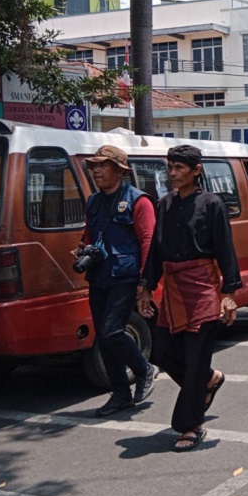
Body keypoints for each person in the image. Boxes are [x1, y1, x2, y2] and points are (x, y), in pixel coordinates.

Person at [137, 145, 241, 452]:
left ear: (196, 170)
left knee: (195, 358)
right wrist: (145, 287)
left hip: (203, 287)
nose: (172, 174)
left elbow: (226, 249)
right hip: (172, 287)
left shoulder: (212, 203)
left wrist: (229, 293)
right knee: (162, 349)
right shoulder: (164, 204)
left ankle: (190, 425)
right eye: (169, 168)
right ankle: (209, 380)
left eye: (179, 168)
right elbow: (156, 250)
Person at [78, 145, 157, 418]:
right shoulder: (94, 201)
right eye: (94, 166)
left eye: (103, 165)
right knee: (104, 336)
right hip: (99, 276)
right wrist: (82, 250)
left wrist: (145, 282)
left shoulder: (139, 201)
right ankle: (121, 394)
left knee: (112, 331)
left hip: (126, 277)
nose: (96, 170)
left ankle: (145, 369)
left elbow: (148, 241)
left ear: (119, 171)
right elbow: (89, 234)